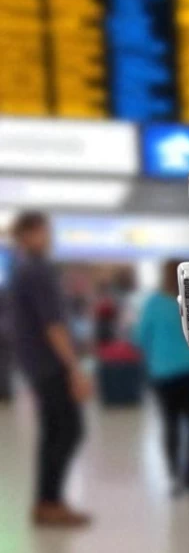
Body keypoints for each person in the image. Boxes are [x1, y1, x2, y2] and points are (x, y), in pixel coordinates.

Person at [9, 211, 92, 526]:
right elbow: (53, 325)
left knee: (55, 432)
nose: (48, 236)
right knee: (67, 431)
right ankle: (50, 502)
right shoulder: (37, 270)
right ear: (27, 234)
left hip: (38, 364)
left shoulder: (23, 270)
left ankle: (48, 502)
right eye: (43, 231)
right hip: (50, 364)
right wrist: (74, 369)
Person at [135, 260, 189, 494]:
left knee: (171, 424)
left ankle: (174, 477)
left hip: (165, 374)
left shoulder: (154, 303)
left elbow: (140, 337)